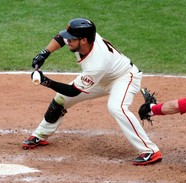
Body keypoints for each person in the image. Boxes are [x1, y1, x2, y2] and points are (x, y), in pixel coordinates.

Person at [22, 18, 162, 166]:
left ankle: (150, 150)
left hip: (124, 78)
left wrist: (46, 82)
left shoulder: (97, 63)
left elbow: (73, 91)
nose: (68, 41)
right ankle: (40, 135)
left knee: (117, 108)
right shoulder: (85, 37)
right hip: (101, 79)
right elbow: (60, 38)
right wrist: (45, 53)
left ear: (83, 41)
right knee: (61, 99)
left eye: (72, 39)